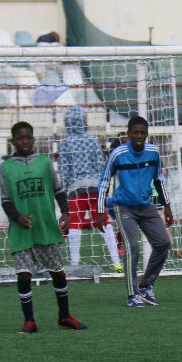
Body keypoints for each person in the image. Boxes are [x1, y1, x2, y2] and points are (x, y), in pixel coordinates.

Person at [0, 121, 87, 334]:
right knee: (24, 275)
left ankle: (64, 316)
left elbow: (58, 190)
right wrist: (17, 217)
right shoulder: (6, 168)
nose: (25, 141)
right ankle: (29, 321)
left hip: (46, 227)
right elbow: (5, 200)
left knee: (57, 271)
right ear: (13, 141)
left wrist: (66, 212)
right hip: (22, 230)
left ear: (33, 139)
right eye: (20, 138)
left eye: (28, 137)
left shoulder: (45, 163)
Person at [96, 115, 173, 308]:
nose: (139, 136)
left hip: (146, 206)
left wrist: (167, 205)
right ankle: (132, 295)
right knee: (132, 247)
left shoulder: (153, 152)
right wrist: (99, 211)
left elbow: (159, 179)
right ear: (128, 134)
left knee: (163, 242)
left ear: (147, 134)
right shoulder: (118, 154)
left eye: (143, 133)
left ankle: (146, 286)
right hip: (124, 207)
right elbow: (105, 181)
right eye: (135, 133)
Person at [58, 106, 122, 271]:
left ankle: (74, 264)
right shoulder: (93, 139)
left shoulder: (64, 143)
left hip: (75, 189)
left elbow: (65, 168)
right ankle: (116, 261)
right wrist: (103, 186)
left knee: (75, 225)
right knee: (103, 221)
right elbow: (100, 164)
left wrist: (66, 189)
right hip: (95, 186)